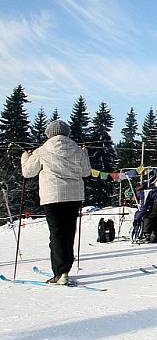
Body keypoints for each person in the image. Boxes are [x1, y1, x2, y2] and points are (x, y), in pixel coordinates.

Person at [20, 120, 91, 285]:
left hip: (52, 197)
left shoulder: (42, 150)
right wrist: (85, 153)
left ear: (48, 134)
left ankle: (60, 272)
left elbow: (28, 172)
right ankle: (65, 269)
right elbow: (86, 172)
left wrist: (25, 157)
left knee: (57, 234)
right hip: (74, 197)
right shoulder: (76, 150)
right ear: (67, 133)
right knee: (68, 233)